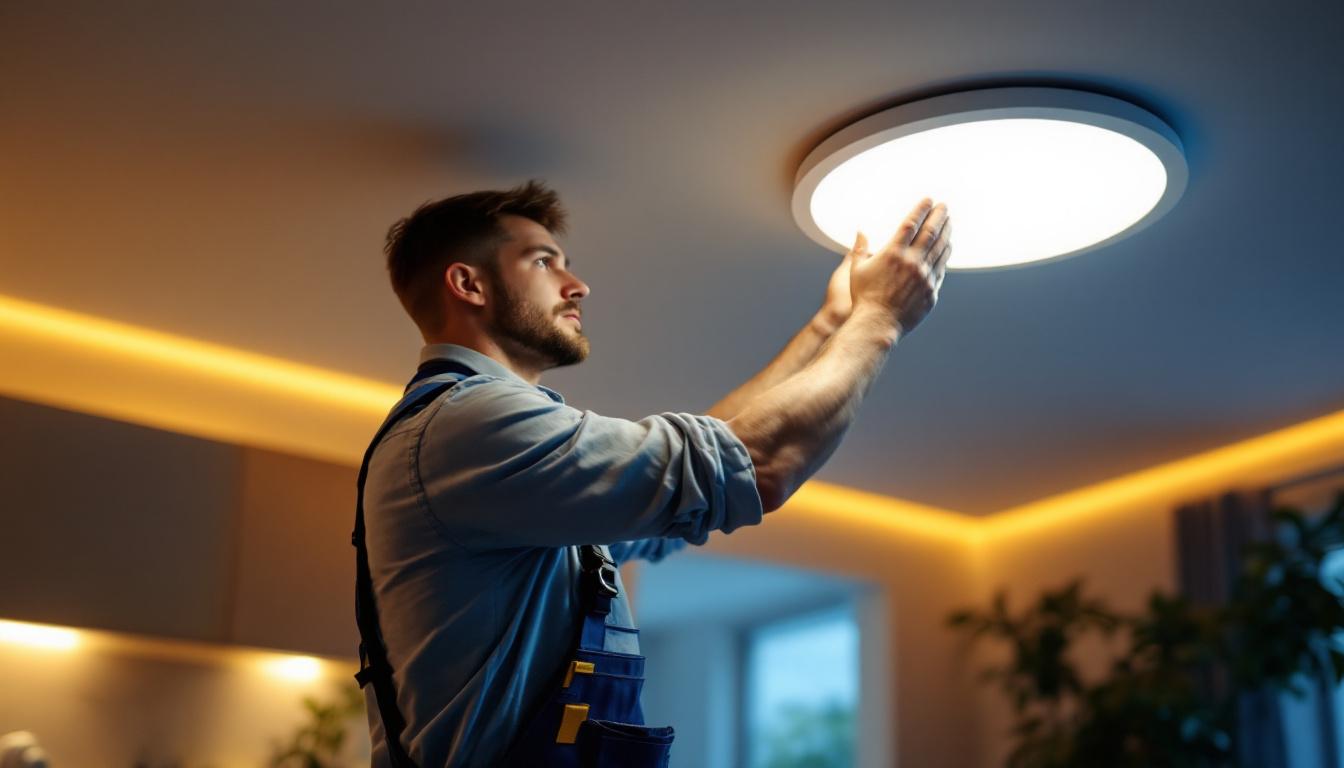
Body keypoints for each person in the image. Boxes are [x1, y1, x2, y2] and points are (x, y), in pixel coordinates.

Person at [358, 180, 951, 766]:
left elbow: (698, 465)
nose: (578, 285)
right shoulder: (470, 424)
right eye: (544, 261)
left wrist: (830, 325)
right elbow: (756, 464)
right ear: (468, 284)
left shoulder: (497, 456)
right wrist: (880, 320)